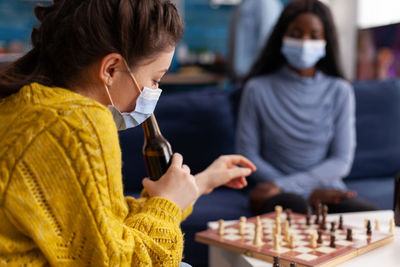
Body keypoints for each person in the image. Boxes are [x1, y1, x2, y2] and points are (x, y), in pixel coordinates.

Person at [0, 0, 256, 266]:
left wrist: (198, 185)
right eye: (155, 79)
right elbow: (121, 261)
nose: (155, 91)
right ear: (111, 68)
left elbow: (99, 226)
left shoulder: (27, 105)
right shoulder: (76, 122)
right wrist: (167, 204)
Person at [236, 0, 378, 215]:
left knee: (373, 219)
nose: (304, 41)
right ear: (282, 37)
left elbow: (341, 161)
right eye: (295, 33)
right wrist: (295, 191)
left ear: (326, 41)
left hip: (325, 190)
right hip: (274, 192)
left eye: (313, 36)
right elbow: (248, 155)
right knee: (296, 209)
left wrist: (293, 186)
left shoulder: (340, 91)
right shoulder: (256, 89)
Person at [229, 0, 283, 83]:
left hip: (254, 79)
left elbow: (268, 45)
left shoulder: (266, 3)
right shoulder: (245, 3)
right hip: (241, 79)